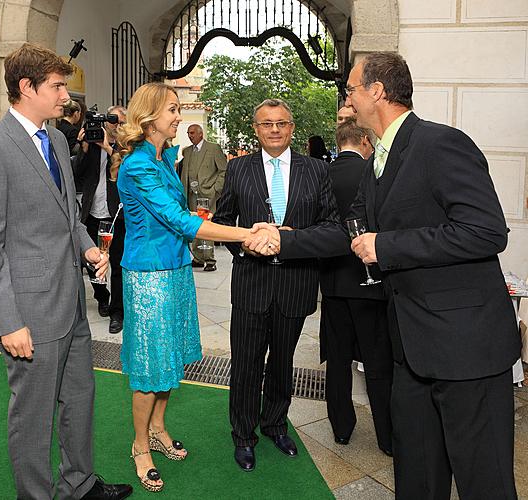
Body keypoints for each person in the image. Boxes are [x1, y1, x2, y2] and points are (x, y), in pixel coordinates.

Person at [323, 51, 518, 499]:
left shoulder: (439, 143)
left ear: (377, 91)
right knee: (416, 478)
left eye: (352, 88)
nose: (347, 99)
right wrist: (280, 238)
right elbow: (347, 231)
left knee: (483, 482)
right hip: (411, 350)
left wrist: (386, 246)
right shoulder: (380, 157)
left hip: (467, 349)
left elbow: (485, 231)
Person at [0, 43, 132, 500]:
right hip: (30, 312)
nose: (66, 97)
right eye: (58, 86)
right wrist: (6, 319)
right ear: (26, 87)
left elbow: (66, 215)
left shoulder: (56, 139)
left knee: (80, 399)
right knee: (33, 416)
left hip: (71, 302)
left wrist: (87, 249)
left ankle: (79, 485)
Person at [114, 82, 277, 492]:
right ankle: (139, 445)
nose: (178, 116)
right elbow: (181, 221)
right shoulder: (137, 166)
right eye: (172, 109)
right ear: (150, 116)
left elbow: (183, 214)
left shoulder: (164, 156)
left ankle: (157, 427)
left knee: (170, 359)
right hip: (149, 277)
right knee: (151, 367)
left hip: (177, 270)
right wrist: (245, 234)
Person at [212, 98, 341, 472]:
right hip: (252, 282)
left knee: (283, 362)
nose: (274, 129)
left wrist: (293, 238)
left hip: (296, 283)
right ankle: (243, 435)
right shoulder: (239, 170)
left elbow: (332, 227)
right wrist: (247, 246)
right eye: (266, 123)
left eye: (281, 123)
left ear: (292, 128)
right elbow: (222, 224)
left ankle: (274, 424)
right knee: (247, 363)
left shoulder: (317, 170)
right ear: (256, 129)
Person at [319, 120, 392, 455]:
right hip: (370, 282)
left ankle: (342, 429)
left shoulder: (322, 174)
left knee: (337, 360)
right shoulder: (374, 172)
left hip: (333, 282)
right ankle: (387, 436)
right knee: (377, 363)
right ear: (365, 140)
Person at [73, 106, 127, 333]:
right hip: (92, 213)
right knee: (92, 261)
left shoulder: (127, 146)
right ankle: (102, 297)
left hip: (117, 214)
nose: (117, 126)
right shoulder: (92, 143)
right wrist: (83, 148)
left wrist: (108, 146)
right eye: (114, 122)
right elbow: (75, 174)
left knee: (117, 264)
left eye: (121, 122)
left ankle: (117, 312)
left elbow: (126, 173)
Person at [180, 124, 228, 271]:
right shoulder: (187, 151)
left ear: (201, 134)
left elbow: (224, 171)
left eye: (192, 132)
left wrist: (216, 190)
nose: (190, 135)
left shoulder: (213, 149)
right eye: (188, 133)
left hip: (208, 196)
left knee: (206, 226)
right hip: (190, 196)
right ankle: (198, 258)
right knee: (193, 225)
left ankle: (210, 260)